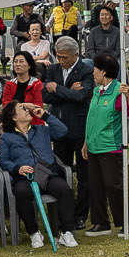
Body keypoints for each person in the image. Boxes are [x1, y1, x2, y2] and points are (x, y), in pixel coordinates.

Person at [0, 101, 79, 249]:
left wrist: (43, 114)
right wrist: (17, 168)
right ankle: (34, 233)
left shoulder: (41, 130)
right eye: (22, 109)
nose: (27, 110)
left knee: (64, 189)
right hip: (24, 178)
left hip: (47, 175)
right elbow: (3, 160)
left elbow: (62, 131)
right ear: (14, 117)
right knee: (21, 192)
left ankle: (67, 232)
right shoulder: (7, 137)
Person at [80, 53, 129, 235]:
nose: (93, 74)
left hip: (110, 146)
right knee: (95, 185)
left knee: (113, 186)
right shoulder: (96, 91)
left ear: (104, 71)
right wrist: (86, 141)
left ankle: (128, 221)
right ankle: (101, 222)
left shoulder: (118, 91)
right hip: (93, 145)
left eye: (95, 70)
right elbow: (92, 118)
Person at [45, 36, 93, 167]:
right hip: (59, 126)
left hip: (78, 127)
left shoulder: (86, 71)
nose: (61, 60)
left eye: (64, 57)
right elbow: (46, 96)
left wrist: (56, 88)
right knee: (61, 167)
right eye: (58, 56)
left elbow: (81, 96)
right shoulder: (53, 69)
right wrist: (68, 91)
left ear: (75, 55)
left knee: (84, 169)